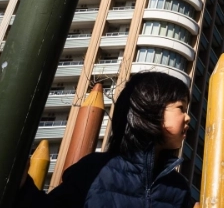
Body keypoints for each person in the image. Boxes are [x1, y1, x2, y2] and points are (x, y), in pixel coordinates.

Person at [17, 71, 192, 208]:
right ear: (150, 109)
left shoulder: (178, 188)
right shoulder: (96, 169)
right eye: (180, 108)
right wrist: (24, 188)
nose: (187, 117)